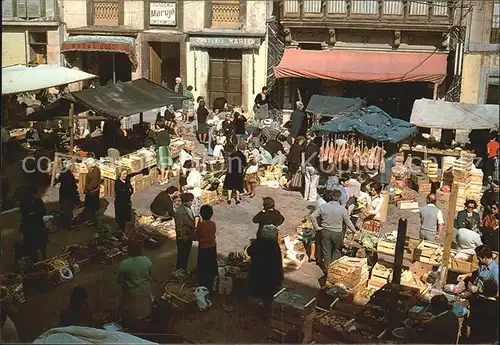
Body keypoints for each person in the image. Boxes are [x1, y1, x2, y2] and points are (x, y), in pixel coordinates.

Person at [311, 189, 357, 271]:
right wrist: (355, 231)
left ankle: (327, 269)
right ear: (339, 198)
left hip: (325, 231)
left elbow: (312, 216)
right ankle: (334, 267)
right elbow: (348, 222)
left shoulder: (323, 206)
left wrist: (317, 227)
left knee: (326, 251)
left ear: (331, 197)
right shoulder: (342, 209)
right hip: (337, 233)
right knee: (336, 250)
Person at [117, 240, 153, 327]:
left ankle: (134, 322)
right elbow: (150, 275)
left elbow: (120, 280)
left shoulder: (124, 264)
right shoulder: (146, 260)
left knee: (133, 310)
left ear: (128, 251)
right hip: (145, 287)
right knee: (146, 306)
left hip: (131, 290)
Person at [247, 233, 284, 307]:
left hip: (259, 273)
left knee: (260, 288)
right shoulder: (275, 245)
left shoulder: (259, 244)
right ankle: (266, 303)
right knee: (268, 291)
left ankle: (259, 302)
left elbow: (249, 251)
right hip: (272, 275)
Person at [20, 185, 48, 262]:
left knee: (36, 244)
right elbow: (43, 212)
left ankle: (37, 259)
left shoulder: (35, 201)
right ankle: (37, 259)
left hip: (32, 225)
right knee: (37, 244)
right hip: (34, 225)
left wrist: (33, 214)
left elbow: (43, 211)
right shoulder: (29, 201)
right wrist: (36, 214)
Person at [465, 278, 499, 344]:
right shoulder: (497, 305)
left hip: (477, 337)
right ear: (496, 292)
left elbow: (472, 317)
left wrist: (468, 328)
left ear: (483, 290)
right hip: (491, 338)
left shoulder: (478, 302)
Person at [195, 205, 218, 297]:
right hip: (212, 247)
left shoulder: (201, 225)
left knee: (203, 266)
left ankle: (203, 284)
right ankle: (211, 283)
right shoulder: (213, 224)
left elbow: (196, 237)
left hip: (203, 248)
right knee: (211, 264)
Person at [174, 193, 196, 272]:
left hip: (188, 236)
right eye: (190, 201)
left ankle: (183, 270)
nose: (191, 202)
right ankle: (180, 271)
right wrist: (182, 238)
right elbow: (179, 228)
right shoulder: (180, 213)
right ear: (186, 202)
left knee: (186, 255)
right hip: (183, 238)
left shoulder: (188, 208)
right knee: (182, 256)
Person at [58, 162, 79, 230]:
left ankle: (65, 223)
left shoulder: (63, 172)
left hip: (64, 194)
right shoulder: (68, 175)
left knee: (66, 209)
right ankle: (68, 224)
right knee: (68, 210)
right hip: (68, 195)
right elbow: (72, 186)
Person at [303, 136, 322, 203]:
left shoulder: (307, 147)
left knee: (307, 182)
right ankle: (312, 198)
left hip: (307, 166)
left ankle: (305, 196)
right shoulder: (317, 148)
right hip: (314, 167)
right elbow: (317, 159)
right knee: (313, 183)